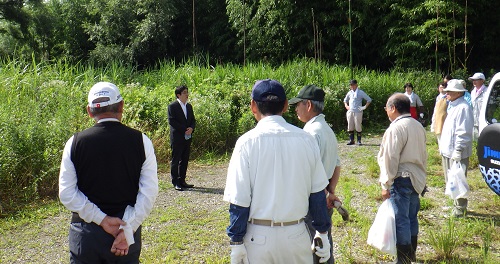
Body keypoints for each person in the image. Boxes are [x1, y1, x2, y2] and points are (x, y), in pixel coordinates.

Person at [223, 79, 331, 264]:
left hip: (258, 237)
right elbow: (317, 194)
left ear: (253, 106)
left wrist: (236, 240)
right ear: (286, 105)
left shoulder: (246, 142)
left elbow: (239, 200)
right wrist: (322, 232)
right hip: (296, 234)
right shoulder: (306, 140)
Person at [59, 81, 159, 263]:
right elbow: (149, 192)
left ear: (89, 111)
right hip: (126, 234)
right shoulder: (142, 141)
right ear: (121, 106)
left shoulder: (74, 143)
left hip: (86, 235)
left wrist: (102, 219)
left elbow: (67, 194)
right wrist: (127, 229)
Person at [289, 84, 348, 264]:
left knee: (313, 248)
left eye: (297, 105)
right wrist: (330, 192)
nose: (295, 109)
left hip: (313, 200)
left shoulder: (310, 133)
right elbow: (337, 165)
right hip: (325, 197)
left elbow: (305, 173)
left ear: (308, 105)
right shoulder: (327, 130)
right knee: (324, 244)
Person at [378, 93, 427, 264]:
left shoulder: (395, 128)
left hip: (402, 178)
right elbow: (424, 155)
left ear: (393, 108)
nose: (386, 111)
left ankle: (404, 259)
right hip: (417, 178)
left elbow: (390, 158)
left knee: (401, 220)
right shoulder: (418, 125)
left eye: (386, 108)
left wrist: (385, 183)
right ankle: (411, 254)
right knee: (412, 216)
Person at [439, 79, 473, 217]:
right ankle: (454, 204)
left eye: (449, 91)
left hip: (457, 151)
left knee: (459, 180)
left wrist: (458, 150)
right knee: (450, 179)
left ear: (457, 93)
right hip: (448, 150)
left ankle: (460, 209)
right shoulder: (453, 105)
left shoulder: (464, 108)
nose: (446, 93)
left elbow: (463, 131)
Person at [168, 85, 196, 191]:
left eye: (187, 92)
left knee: (184, 159)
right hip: (177, 137)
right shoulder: (172, 106)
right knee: (176, 160)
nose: (187, 94)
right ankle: (175, 181)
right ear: (178, 95)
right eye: (184, 92)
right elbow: (172, 121)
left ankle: (182, 180)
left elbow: (193, 120)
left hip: (187, 137)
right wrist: (185, 129)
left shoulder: (189, 106)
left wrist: (191, 128)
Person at [343, 79, 372, 145]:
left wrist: (364, 107)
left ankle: (359, 140)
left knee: (358, 126)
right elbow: (345, 100)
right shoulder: (349, 93)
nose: (352, 86)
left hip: (358, 112)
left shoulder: (360, 92)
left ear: (356, 85)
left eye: (353, 85)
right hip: (350, 111)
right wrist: (346, 106)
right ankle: (351, 140)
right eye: (351, 85)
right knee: (350, 126)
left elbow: (369, 100)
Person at [468, 72, 487, 140]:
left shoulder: (487, 91)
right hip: (474, 120)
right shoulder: (472, 92)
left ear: (482, 80)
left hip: (484, 120)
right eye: (473, 80)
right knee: (475, 140)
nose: (474, 81)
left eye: (476, 80)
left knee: (484, 140)